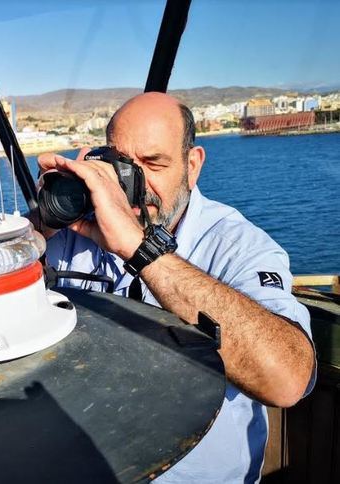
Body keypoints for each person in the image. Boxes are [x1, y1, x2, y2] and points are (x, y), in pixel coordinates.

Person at [38, 92, 316, 483]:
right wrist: (47, 216)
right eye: (120, 164)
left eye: (153, 164)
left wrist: (140, 248)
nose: (132, 183)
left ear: (192, 164)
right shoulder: (75, 233)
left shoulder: (236, 244)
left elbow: (289, 380)